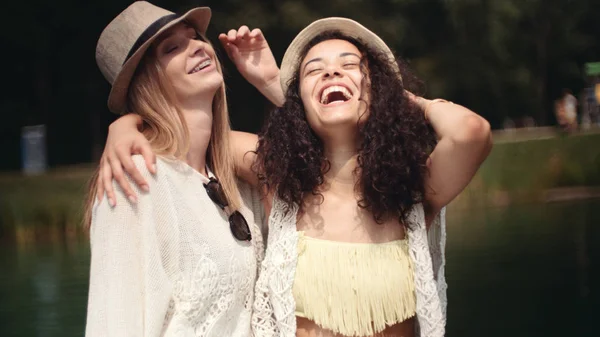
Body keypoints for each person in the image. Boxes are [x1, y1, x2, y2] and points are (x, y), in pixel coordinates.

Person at [98, 17, 492, 337]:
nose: (333, 71)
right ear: (295, 100)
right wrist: (127, 125)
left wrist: (389, 94)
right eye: (314, 71)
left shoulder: (411, 191)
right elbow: (187, 136)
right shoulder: (281, 180)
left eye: (351, 65)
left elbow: (470, 133)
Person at [84, 1, 283, 336]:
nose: (197, 47)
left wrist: (273, 81)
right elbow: (114, 323)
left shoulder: (232, 180)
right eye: (172, 48)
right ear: (147, 81)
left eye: (196, 37)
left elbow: (334, 157)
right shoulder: (135, 178)